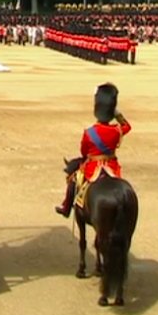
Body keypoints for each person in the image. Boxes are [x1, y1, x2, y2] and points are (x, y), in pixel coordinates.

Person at [55, 83, 131, 218]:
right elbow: (127, 126)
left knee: (73, 179)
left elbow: (84, 152)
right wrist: (116, 113)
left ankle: (66, 207)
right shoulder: (116, 130)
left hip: (92, 167)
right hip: (112, 167)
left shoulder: (90, 132)